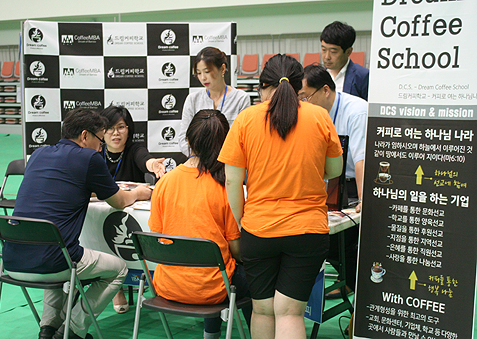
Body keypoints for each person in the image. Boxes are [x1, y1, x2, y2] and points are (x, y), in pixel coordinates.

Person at [218, 54, 343, 339]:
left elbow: (232, 181)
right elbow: (333, 169)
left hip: (259, 230)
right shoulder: (319, 117)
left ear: (263, 87)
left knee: (263, 311)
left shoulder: (246, 119)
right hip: (308, 231)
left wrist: (242, 223)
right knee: (290, 313)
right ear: (300, 86)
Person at [2, 108, 152, 339]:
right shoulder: (89, 158)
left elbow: (62, 187)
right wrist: (140, 192)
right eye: (100, 140)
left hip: (12, 260)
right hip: (55, 262)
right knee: (118, 269)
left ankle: (48, 328)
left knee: (51, 247)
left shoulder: (39, 154)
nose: (101, 147)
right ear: (84, 136)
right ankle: (73, 329)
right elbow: (120, 201)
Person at [149, 109, 252, 339]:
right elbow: (236, 248)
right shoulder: (227, 186)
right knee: (254, 275)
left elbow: (157, 237)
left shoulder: (164, 183)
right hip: (214, 289)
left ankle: (211, 334)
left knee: (212, 263)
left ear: (188, 141)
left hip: (167, 285)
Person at [299, 63, 367, 299]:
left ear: (325, 90)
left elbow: (360, 158)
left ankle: (350, 283)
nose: (304, 103)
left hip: (351, 181)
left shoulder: (356, 110)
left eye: (306, 97)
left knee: (344, 238)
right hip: (327, 180)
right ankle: (344, 278)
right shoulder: (310, 114)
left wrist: (363, 198)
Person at [99, 105, 166, 313]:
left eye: (121, 127)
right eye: (110, 128)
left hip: (128, 212)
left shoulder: (134, 149)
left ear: (129, 129)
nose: (116, 133)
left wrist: (154, 164)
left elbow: (145, 159)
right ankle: (113, 284)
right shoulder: (95, 152)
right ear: (102, 131)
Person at [178, 46, 251, 156]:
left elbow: (244, 138)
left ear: (222, 69)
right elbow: (183, 139)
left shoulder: (241, 98)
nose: (203, 78)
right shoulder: (193, 99)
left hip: (229, 164)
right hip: (200, 164)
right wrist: (197, 159)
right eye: (199, 73)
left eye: (207, 71)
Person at [320, 21, 369, 101]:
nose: (327, 57)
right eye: (323, 50)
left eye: (333, 52)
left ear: (348, 51)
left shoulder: (362, 76)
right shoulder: (318, 75)